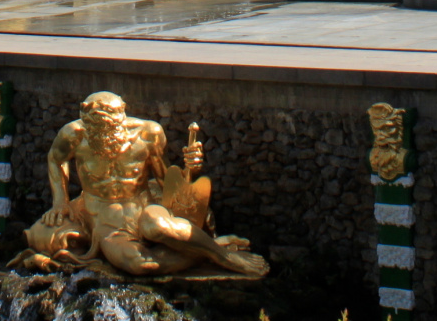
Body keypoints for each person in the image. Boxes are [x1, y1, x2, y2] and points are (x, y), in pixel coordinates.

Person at [23, 91, 268, 278]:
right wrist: (60, 202)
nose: (102, 135)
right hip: (102, 216)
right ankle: (209, 251)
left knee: (158, 226)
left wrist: (190, 168)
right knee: (138, 264)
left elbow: (165, 179)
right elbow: (55, 160)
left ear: (121, 116)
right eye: (94, 129)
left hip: (141, 203)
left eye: (107, 128)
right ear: (85, 119)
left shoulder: (149, 133)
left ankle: (224, 256)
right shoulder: (73, 135)